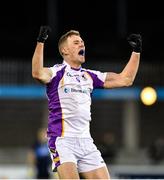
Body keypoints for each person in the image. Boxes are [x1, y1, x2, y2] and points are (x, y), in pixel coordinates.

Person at [32, 26, 142, 179]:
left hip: (86, 141)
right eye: (76, 42)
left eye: (82, 42)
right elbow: (37, 73)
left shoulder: (89, 76)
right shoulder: (56, 73)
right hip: (63, 140)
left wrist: (136, 52)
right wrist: (40, 42)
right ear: (65, 51)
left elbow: (125, 79)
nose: (82, 44)